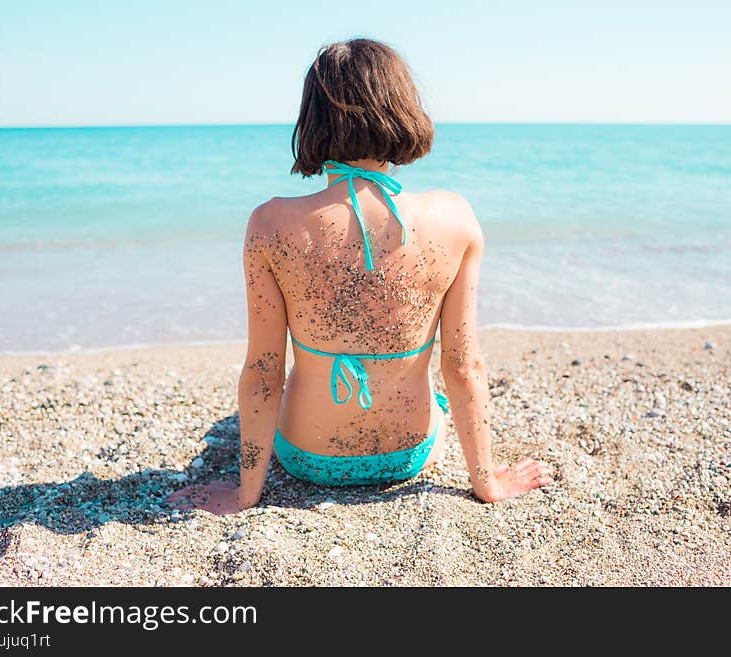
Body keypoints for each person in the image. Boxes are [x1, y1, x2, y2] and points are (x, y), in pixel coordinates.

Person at [167, 38, 552, 515]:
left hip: (307, 459)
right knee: (436, 396)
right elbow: (463, 366)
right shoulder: (454, 218)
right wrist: (487, 483)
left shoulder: (270, 225)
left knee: (239, 417)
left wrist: (247, 494)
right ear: (402, 108)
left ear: (312, 119)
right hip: (409, 456)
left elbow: (264, 371)